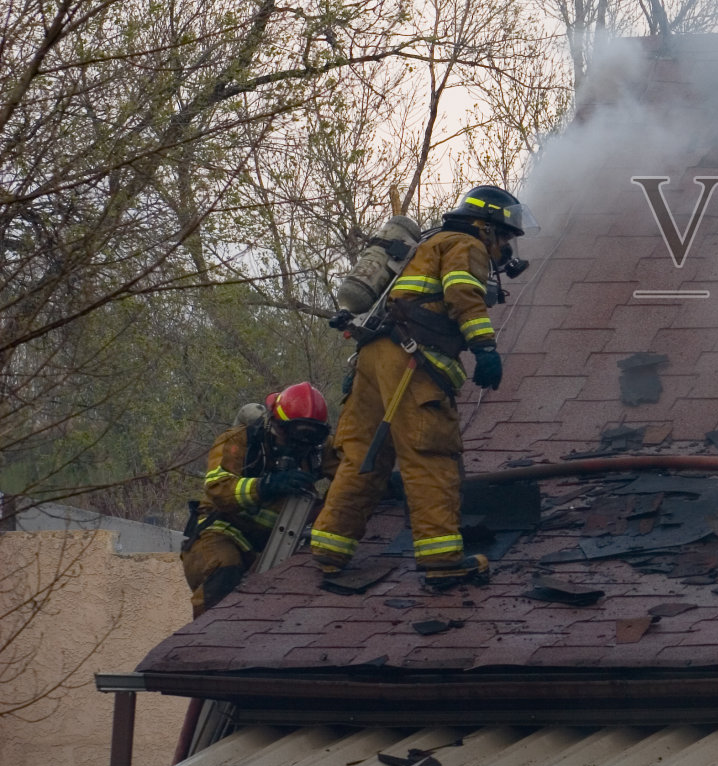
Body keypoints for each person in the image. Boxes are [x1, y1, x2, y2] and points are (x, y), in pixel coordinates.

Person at [309, 185, 526, 589]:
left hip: (372, 360)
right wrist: (484, 348)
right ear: (486, 227)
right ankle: (443, 562)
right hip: (410, 362)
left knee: (361, 455)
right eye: (506, 236)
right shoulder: (465, 244)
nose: (507, 248)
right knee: (429, 453)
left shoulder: (427, 244)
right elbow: (463, 295)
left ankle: (329, 549)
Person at [180, 383, 333, 617]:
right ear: (276, 425)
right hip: (222, 532)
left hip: (273, 544)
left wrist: (383, 481)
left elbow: (351, 466)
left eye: (308, 438)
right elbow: (217, 488)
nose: (297, 446)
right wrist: (265, 486)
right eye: (292, 435)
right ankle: (209, 643)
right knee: (225, 566)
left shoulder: (315, 452)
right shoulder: (240, 441)